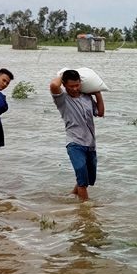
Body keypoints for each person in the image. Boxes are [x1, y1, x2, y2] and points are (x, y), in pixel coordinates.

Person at [49, 69, 105, 201]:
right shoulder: (62, 99)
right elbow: (53, 86)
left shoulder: (87, 98)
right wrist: (62, 74)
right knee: (82, 181)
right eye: (71, 86)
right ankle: (86, 211)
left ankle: (72, 195)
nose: (75, 88)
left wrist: (97, 93)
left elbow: (100, 113)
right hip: (74, 143)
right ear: (64, 84)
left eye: (77, 85)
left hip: (90, 145)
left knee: (88, 180)